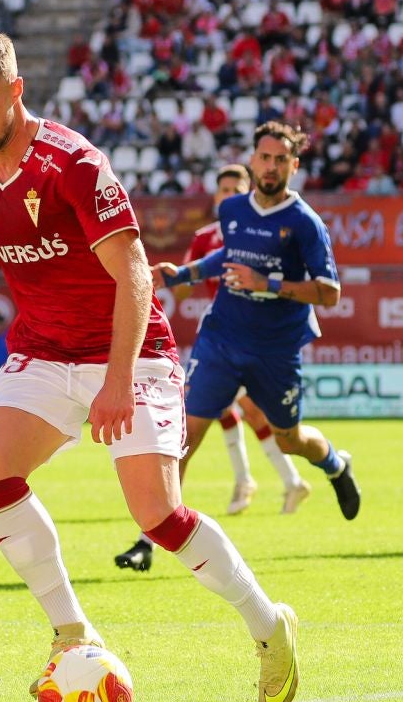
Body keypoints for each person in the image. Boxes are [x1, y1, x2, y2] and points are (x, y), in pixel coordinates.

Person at [0, 30, 302, 702]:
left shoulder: (73, 162)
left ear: (16, 91)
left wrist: (117, 379)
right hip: (44, 351)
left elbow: (133, 272)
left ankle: (267, 625)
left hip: (131, 354)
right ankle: (71, 633)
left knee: (157, 513)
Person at [114, 123, 360, 573]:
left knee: (289, 440)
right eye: (264, 157)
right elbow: (228, 257)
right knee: (184, 438)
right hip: (222, 340)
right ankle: (147, 540)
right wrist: (185, 273)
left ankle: (334, 465)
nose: (271, 166)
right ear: (253, 160)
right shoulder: (232, 209)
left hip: (276, 350)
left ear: (294, 166)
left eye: (280, 160)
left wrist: (268, 284)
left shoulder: (305, 223)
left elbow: (329, 292)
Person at [159, 162, 312, 522]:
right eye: (223, 190)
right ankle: (272, 481)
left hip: (255, 336)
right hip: (221, 335)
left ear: (249, 193)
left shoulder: (261, 232)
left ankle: (267, 480)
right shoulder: (205, 237)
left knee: (243, 411)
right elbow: (182, 290)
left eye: (235, 190)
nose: (227, 196)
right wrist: (180, 276)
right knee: (229, 410)